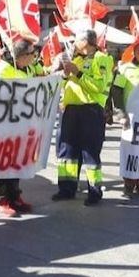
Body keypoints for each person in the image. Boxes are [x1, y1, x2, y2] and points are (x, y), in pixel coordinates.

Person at [52, 29, 113, 206]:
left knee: (90, 152)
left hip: (90, 110)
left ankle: (94, 191)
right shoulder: (76, 59)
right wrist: (64, 74)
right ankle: (66, 188)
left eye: (76, 40)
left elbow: (99, 86)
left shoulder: (102, 59)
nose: (73, 44)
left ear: (86, 42)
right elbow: (64, 83)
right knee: (67, 151)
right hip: (70, 109)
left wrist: (78, 73)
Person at [0, 39, 38, 217]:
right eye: (31, 54)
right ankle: (0, 199)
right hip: (2, 123)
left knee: (16, 159)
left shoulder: (28, 68)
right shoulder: (3, 69)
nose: (34, 57)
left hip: (20, 122)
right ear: (20, 56)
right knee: (0, 161)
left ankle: (14, 195)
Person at [110, 41, 139, 197]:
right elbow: (116, 90)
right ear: (136, 53)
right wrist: (119, 112)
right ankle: (128, 182)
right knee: (130, 149)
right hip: (131, 116)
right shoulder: (124, 69)